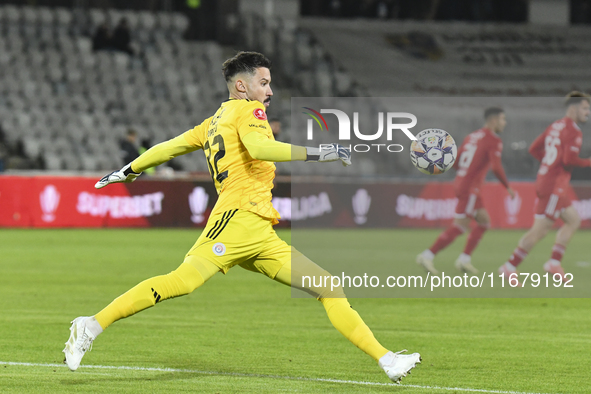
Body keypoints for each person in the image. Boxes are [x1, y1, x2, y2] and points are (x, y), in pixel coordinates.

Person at [62, 51, 420, 383]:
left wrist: (130, 169)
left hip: (259, 230)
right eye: (264, 83)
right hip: (235, 220)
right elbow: (260, 148)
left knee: (328, 286)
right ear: (241, 86)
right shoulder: (249, 112)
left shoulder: (214, 121)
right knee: (182, 282)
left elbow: (168, 147)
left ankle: (386, 359)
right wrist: (320, 152)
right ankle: (90, 326)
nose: (270, 91)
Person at [499, 92, 591, 283]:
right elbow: (568, 160)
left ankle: (554, 263)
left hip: (549, 182)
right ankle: (509, 266)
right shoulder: (573, 130)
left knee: (573, 220)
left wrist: (549, 164)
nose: (588, 112)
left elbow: (534, 148)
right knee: (540, 230)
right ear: (573, 109)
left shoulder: (555, 125)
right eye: (584, 108)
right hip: (553, 187)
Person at [417, 107, 514, 274]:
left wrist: (464, 175)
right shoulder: (493, 140)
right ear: (493, 120)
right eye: (502, 119)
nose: (504, 123)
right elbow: (497, 167)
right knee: (460, 227)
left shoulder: (472, 136)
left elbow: (455, 161)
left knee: (483, 222)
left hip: (464, 183)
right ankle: (427, 255)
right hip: (470, 188)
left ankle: (464, 260)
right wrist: (508, 186)